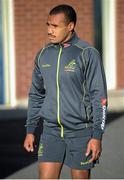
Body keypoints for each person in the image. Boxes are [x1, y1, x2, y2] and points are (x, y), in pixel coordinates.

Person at [24, 4, 107, 179]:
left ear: (70, 26)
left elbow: (99, 98)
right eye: (48, 25)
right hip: (51, 132)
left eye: (55, 26)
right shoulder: (43, 55)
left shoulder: (87, 54)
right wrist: (30, 129)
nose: (49, 30)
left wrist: (97, 136)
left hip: (80, 132)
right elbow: (36, 94)